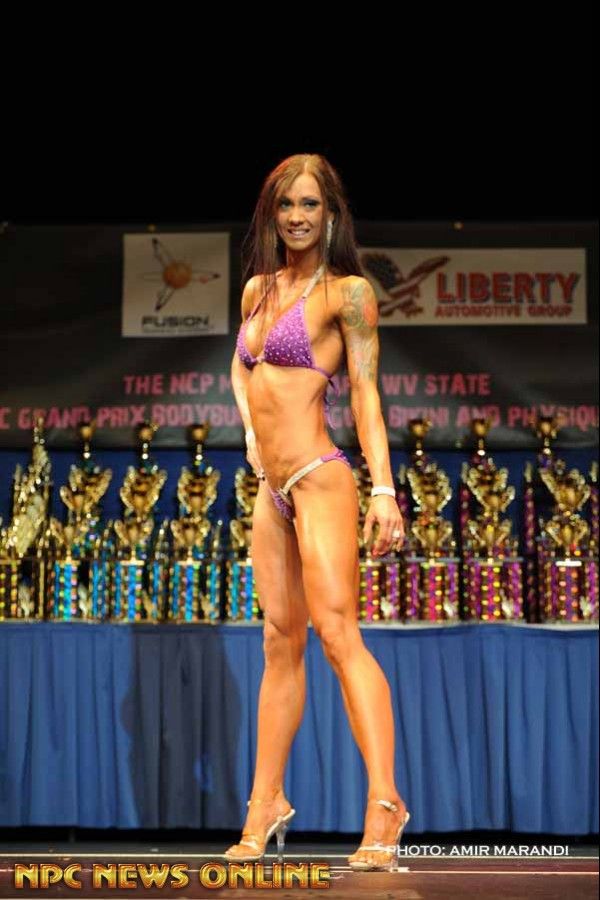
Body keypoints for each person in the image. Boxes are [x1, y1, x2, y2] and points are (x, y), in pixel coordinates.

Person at [225, 153, 409, 872]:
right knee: (279, 642)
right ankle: (265, 802)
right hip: (269, 489)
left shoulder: (349, 294)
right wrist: (249, 430)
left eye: (309, 204)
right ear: (270, 214)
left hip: (319, 478)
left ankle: (385, 804)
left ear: (331, 212)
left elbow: (364, 393)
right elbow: (242, 367)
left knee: (337, 637)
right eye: (285, 205)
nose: (296, 217)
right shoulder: (257, 290)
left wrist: (384, 488)